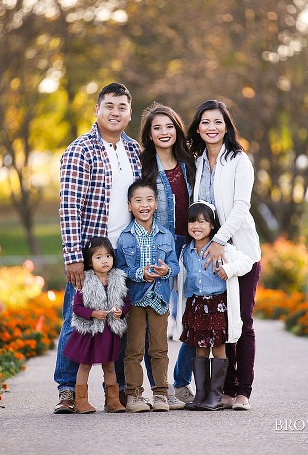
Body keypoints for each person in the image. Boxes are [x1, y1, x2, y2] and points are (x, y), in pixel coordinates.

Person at [55, 82, 141, 414]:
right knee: (75, 320)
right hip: (90, 255)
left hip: (125, 254)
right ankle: (66, 390)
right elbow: (69, 207)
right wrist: (74, 257)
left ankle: (114, 394)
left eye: (122, 107)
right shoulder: (81, 149)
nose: (115, 112)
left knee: (118, 321)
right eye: (109, 106)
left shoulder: (133, 150)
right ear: (97, 110)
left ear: (129, 113)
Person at [187, 100, 262, 409]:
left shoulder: (238, 160)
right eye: (205, 122)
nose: (211, 127)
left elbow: (241, 206)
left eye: (217, 122)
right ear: (198, 128)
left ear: (227, 126)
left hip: (239, 252)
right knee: (219, 323)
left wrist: (219, 239)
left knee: (242, 322)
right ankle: (224, 391)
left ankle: (242, 390)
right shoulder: (199, 162)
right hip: (208, 257)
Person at [139, 102, 196, 407]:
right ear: (149, 134)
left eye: (169, 126)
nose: (164, 132)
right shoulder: (143, 166)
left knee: (191, 317)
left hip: (190, 248)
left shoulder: (190, 164)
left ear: (177, 129)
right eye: (157, 127)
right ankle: (161, 389)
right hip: (158, 249)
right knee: (156, 321)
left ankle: (181, 382)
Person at [173, 201, 255, 410]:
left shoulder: (224, 248)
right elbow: (180, 277)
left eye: (202, 221)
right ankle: (202, 393)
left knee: (218, 349)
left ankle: (216, 396)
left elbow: (246, 262)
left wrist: (230, 269)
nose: (196, 226)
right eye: (192, 221)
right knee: (200, 350)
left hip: (216, 306)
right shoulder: (185, 252)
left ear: (212, 226)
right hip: (196, 306)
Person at [115, 179, 180, 413]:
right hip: (135, 300)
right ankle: (134, 395)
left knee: (159, 348)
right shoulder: (125, 237)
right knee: (133, 349)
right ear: (129, 205)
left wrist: (167, 270)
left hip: (159, 300)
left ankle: (161, 393)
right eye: (138, 200)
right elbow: (120, 270)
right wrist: (139, 274)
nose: (144, 205)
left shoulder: (165, 235)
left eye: (149, 200)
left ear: (156, 203)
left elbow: (174, 265)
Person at [63, 237, 130, 414]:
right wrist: (93, 314)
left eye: (108, 256)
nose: (105, 260)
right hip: (90, 332)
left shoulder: (118, 280)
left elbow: (126, 302)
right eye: (98, 257)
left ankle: (113, 401)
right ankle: (81, 401)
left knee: (109, 365)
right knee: (84, 365)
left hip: (109, 331)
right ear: (90, 262)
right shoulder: (85, 282)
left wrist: (120, 312)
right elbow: (76, 308)